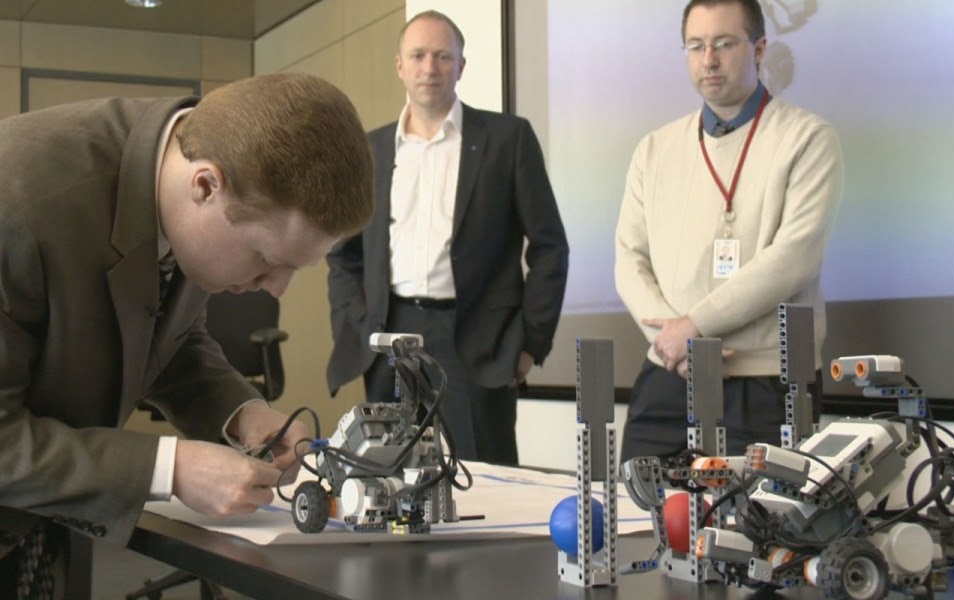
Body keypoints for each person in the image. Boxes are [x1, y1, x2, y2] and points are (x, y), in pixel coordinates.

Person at [0, 72, 374, 596]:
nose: (278, 289)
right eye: (266, 259)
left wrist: (243, 413)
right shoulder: (15, 200)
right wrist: (168, 469)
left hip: (43, 527)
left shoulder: (185, 169)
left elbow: (164, 337)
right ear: (205, 185)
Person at [326, 10, 569, 466]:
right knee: (386, 475)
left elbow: (550, 246)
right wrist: (356, 324)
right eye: (418, 55)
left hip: (475, 340)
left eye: (442, 56)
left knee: (485, 480)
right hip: (388, 334)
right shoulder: (370, 149)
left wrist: (532, 342)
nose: (429, 67)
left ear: (461, 65)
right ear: (400, 65)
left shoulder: (507, 139)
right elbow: (344, 256)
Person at [615, 0, 843, 461]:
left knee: (753, 526)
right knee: (639, 518)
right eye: (696, 46)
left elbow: (793, 257)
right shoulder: (654, 149)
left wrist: (693, 329)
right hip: (667, 377)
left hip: (761, 384)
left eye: (723, 44)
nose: (709, 60)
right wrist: (673, 343)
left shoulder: (808, 138)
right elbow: (628, 257)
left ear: (759, 48)